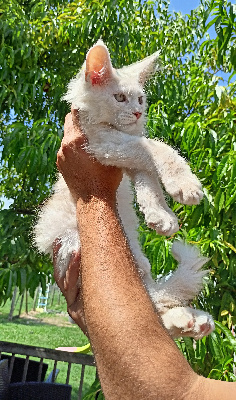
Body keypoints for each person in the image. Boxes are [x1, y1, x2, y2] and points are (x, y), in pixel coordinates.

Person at [54, 109, 236, 399]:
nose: (137, 110)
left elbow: (163, 393)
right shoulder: (106, 131)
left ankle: (160, 318)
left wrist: (94, 194)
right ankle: (159, 316)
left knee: (136, 272)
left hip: (92, 241)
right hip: (74, 237)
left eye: (141, 100)